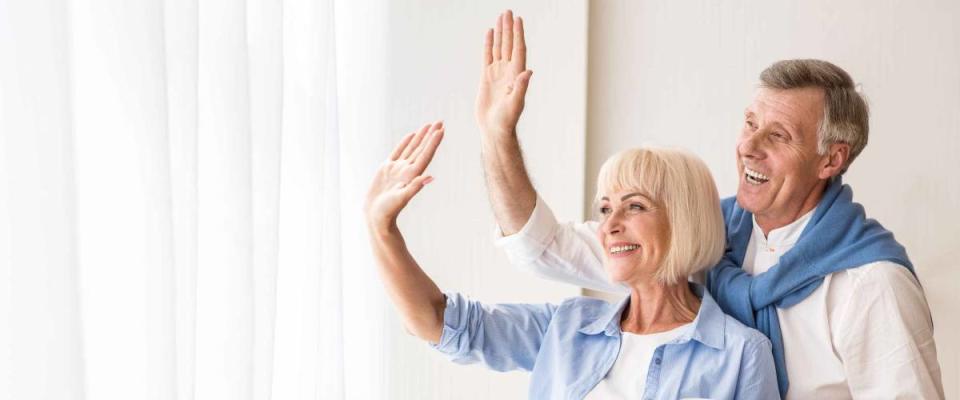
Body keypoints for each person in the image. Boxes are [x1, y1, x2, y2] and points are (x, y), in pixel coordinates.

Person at [476, 10, 944, 399]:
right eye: (749, 123)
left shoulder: (872, 284)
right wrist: (498, 136)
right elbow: (543, 247)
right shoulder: (705, 235)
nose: (749, 147)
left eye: (777, 136)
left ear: (831, 159)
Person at [364, 121, 780, 399]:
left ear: (684, 220)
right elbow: (437, 322)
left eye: (634, 207)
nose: (610, 225)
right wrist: (382, 229)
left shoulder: (741, 354)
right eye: (605, 209)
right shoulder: (566, 329)